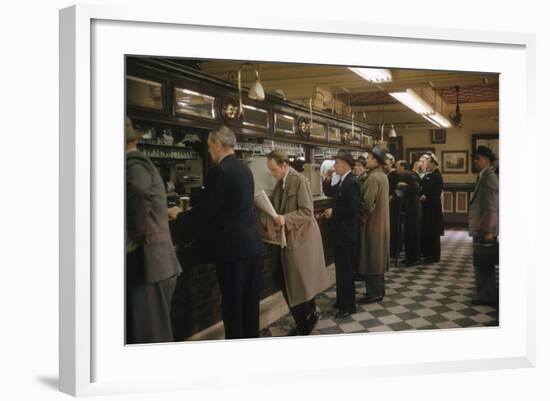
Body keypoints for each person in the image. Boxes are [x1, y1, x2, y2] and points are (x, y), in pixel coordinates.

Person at [168, 126, 265, 339]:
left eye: (210, 145)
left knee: (233, 306)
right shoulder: (244, 169)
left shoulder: (220, 171)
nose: (209, 150)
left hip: (233, 250)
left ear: (218, 145)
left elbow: (205, 213)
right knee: (249, 305)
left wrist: (178, 215)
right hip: (252, 245)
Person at [125, 117, 182, 344]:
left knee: (149, 335)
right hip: (156, 261)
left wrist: (133, 234)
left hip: (148, 260)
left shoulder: (134, 163)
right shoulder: (139, 162)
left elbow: (138, 190)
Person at [267, 150, 330, 335]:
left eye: (273, 169)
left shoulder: (299, 180)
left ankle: (305, 324)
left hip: (301, 240)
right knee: (289, 280)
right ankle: (308, 317)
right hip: (287, 240)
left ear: (284, 165)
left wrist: (285, 219)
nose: (272, 173)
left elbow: (307, 212)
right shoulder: (280, 183)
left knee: (297, 283)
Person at [322, 149, 360, 318]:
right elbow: (330, 192)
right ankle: (341, 301)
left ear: (344, 164)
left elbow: (352, 208)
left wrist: (334, 212)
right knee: (341, 270)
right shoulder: (344, 180)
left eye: (336, 163)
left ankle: (348, 306)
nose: (334, 165)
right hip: (341, 234)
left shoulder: (351, 182)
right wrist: (327, 177)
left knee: (345, 271)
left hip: (346, 234)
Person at [357, 147, 390, 303]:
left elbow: (367, 203)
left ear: (376, 161)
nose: (366, 160)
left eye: (369, 158)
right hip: (381, 222)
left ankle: (374, 293)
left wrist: (360, 215)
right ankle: (379, 291)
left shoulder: (373, 178)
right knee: (377, 257)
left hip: (373, 223)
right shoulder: (382, 176)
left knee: (372, 257)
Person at [469, 146, 499, 307]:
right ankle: (484, 293)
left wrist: (490, 230)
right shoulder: (483, 176)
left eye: (477, 158)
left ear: (487, 159)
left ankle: (487, 296)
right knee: (480, 263)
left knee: (484, 264)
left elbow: (493, 206)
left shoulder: (489, 177)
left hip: (485, 229)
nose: (475, 161)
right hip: (482, 228)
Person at [395, 160, 422, 266]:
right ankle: (409, 257)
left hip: (413, 208)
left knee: (412, 233)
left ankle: (413, 258)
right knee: (407, 233)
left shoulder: (409, 175)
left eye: (397, 166)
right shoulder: (404, 175)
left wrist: (403, 186)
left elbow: (416, 189)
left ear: (403, 167)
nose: (396, 168)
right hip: (408, 207)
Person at [420, 152, 444, 264]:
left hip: (432, 208)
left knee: (433, 232)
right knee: (429, 232)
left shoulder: (436, 176)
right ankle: (429, 255)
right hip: (429, 207)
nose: (427, 164)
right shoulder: (431, 175)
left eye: (428, 162)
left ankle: (433, 256)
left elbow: (434, 193)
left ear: (433, 163)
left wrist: (426, 196)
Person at [384, 153, 400, 260]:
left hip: (393, 206)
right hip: (388, 205)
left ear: (391, 164)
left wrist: (390, 197)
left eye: (386, 164)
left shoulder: (394, 175)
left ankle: (393, 250)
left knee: (393, 227)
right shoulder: (387, 175)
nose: (384, 166)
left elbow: (394, 191)